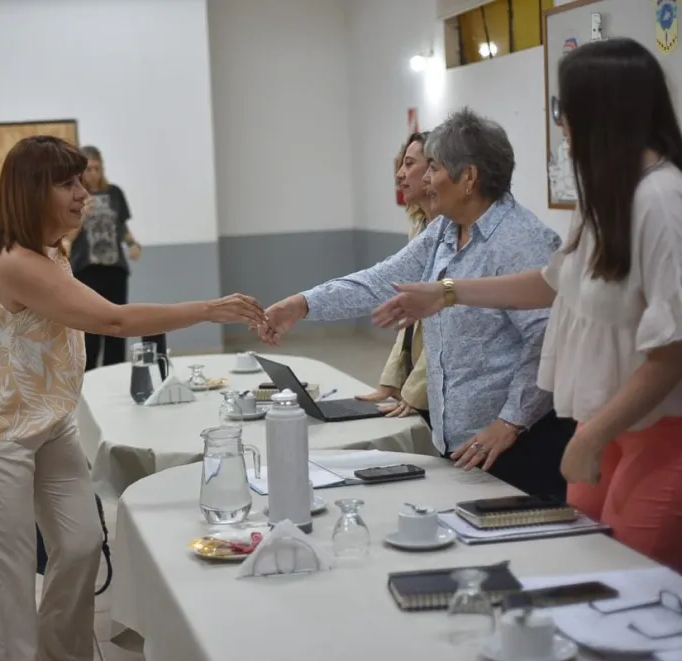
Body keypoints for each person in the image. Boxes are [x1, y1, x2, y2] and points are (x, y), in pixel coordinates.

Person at [0, 135, 264, 661]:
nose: (83, 193)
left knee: (81, 543)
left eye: (83, 180)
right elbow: (112, 320)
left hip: (48, 422)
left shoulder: (50, 250)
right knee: (7, 581)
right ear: (31, 192)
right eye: (67, 183)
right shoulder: (13, 260)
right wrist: (208, 309)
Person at [372, 38, 682, 570]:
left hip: (655, 434)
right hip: (601, 425)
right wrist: (446, 293)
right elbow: (551, 284)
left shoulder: (662, 201)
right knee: (582, 567)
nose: (559, 123)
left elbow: (672, 351)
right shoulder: (607, 196)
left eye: (564, 107)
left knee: (630, 579)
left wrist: (594, 434)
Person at [259, 108, 574, 498]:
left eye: (434, 167)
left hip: (516, 447)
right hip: (460, 445)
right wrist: (303, 304)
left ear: (468, 178)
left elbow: (546, 341)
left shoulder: (520, 241)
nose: (425, 179)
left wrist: (511, 420)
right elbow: (382, 282)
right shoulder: (445, 229)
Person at [356, 132, 432, 425]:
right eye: (400, 164)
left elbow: (446, 329)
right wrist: (392, 381)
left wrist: (415, 392)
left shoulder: (456, 230)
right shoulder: (419, 222)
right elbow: (410, 314)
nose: (399, 174)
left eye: (409, 164)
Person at [66, 145, 143, 369]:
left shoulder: (115, 193)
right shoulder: (75, 196)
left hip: (115, 269)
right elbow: (68, 238)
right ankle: (89, 378)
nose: (93, 174)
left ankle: (115, 373)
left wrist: (132, 244)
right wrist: (82, 215)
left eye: (97, 168)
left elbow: (121, 226)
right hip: (85, 271)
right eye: (88, 169)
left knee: (118, 326)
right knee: (90, 330)